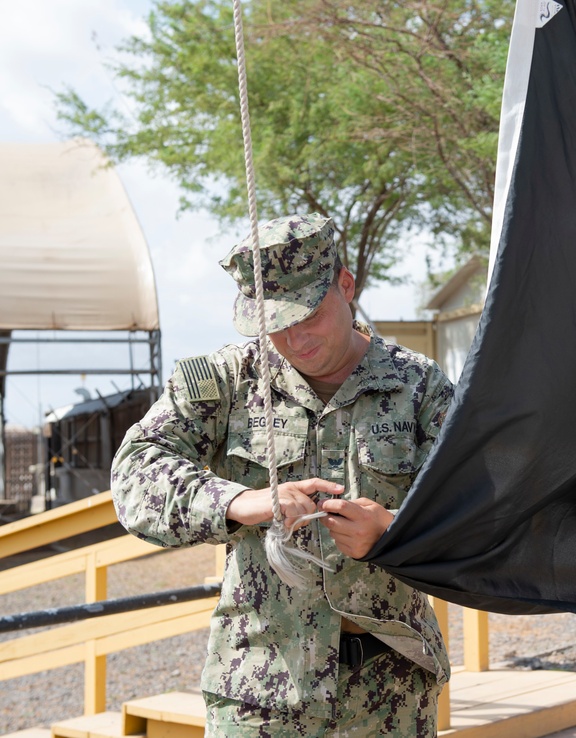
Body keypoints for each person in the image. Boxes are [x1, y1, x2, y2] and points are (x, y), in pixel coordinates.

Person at [111, 213, 454, 736]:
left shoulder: (419, 386)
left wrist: (395, 529)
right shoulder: (226, 382)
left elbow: (478, 512)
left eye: (309, 314)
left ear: (345, 285)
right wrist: (236, 501)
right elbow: (135, 473)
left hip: (391, 691)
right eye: (274, 322)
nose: (294, 338)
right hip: (259, 691)